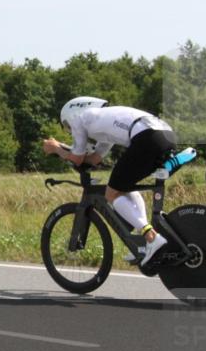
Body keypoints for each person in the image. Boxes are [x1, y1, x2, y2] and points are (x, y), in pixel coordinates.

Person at [43, 97, 175, 267]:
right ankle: (145, 243)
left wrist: (55, 148)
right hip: (165, 135)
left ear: (71, 114)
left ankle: (152, 237)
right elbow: (94, 159)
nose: (70, 131)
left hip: (146, 138)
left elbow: (77, 158)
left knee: (111, 193)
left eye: (67, 127)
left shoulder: (79, 118)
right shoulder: (104, 122)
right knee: (124, 187)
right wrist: (64, 149)